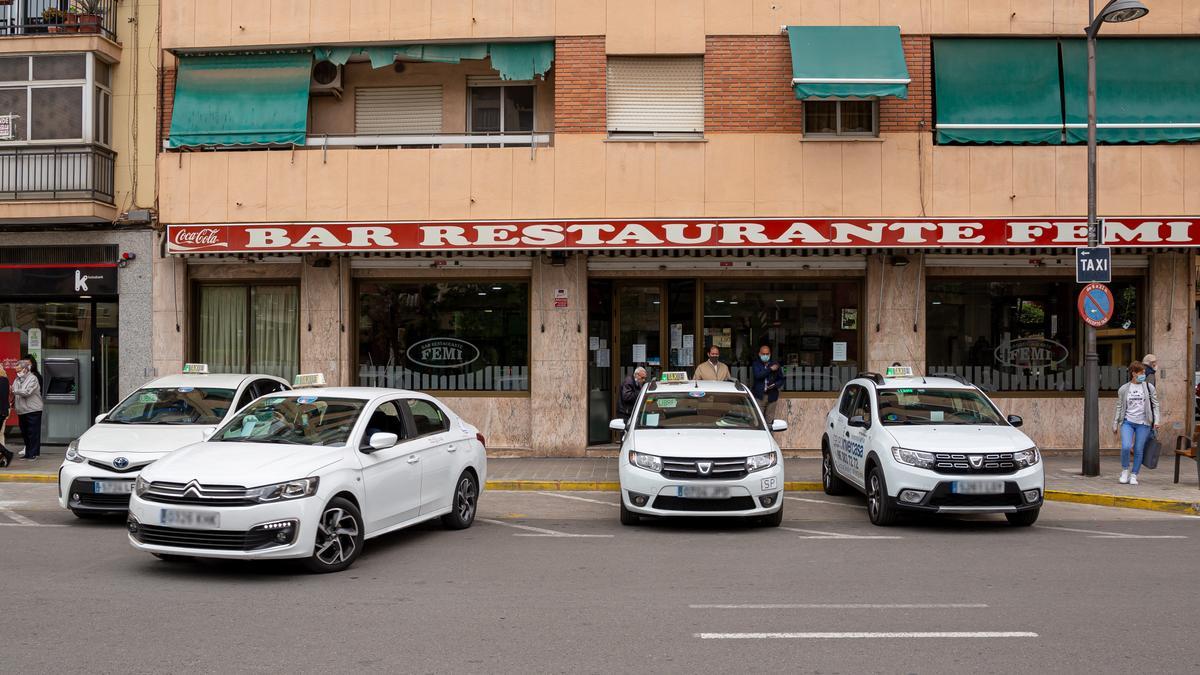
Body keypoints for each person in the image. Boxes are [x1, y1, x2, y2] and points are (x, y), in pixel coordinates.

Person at [1112, 360, 1159, 486]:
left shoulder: (1149, 387)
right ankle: (1125, 471)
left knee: (1138, 449)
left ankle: (1134, 475)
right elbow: (1119, 406)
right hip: (1128, 422)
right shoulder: (1124, 389)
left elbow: (1155, 405)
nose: (1144, 374)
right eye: (1141, 372)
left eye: (1144, 372)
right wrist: (1115, 423)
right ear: (1133, 373)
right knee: (1126, 446)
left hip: (1144, 423)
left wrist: (1157, 421)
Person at [12, 356, 43, 461]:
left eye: (19, 370)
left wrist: (15, 391)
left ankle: (33, 453)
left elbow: (27, 392)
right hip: (21, 410)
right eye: (16, 371)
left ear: (25, 369)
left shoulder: (33, 378)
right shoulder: (17, 379)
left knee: (33, 432)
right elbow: (15, 390)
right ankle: (28, 453)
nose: (17, 373)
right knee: (25, 433)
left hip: (33, 409)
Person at [751, 344, 784, 422]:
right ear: (759, 354)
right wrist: (770, 369)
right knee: (759, 421)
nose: (765, 356)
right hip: (759, 396)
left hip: (772, 396)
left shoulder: (775, 364)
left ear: (770, 354)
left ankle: (769, 434)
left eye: (767, 354)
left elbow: (781, 379)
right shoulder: (756, 364)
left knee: (769, 421)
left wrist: (775, 385)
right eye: (763, 354)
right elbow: (758, 375)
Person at [0, 367, 11, 466]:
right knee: (0, 436)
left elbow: (3, 397)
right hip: (3, 412)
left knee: (0, 435)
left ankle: (5, 455)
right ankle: (3, 457)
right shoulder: (4, 380)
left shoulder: (3, 380)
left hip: (1, 412)